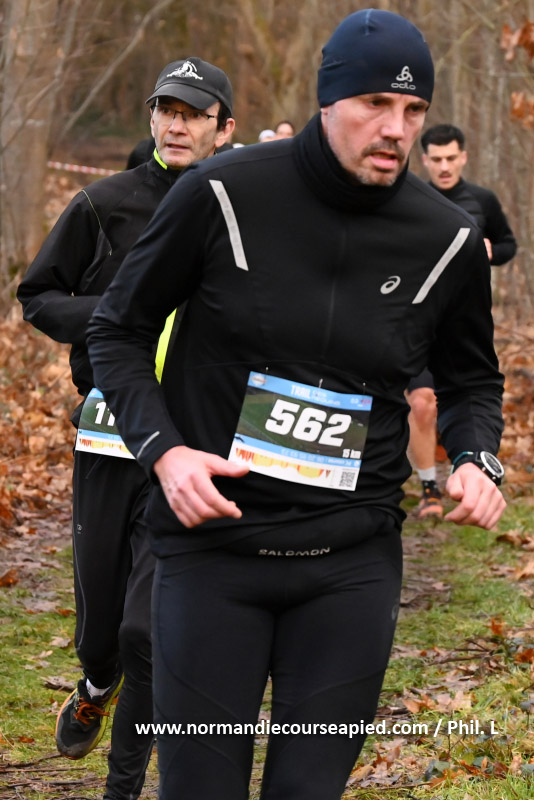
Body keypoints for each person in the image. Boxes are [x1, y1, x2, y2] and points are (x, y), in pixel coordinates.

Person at [88, 10, 506, 800]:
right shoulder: (221, 193)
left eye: (413, 110)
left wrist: (477, 458)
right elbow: (118, 330)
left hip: (349, 568)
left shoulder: (447, 238)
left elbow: (473, 382)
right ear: (327, 99)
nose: (396, 129)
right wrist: (165, 453)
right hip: (212, 555)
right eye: (375, 104)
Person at [17, 57, 234, 800]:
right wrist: (118, 315)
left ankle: (123, 786)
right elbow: (38, 295)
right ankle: (94, 681)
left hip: (192, 444)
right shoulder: (103, 203)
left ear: (224, 129)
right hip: (109, 437)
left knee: (148, 629)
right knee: (103, 629)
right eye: (166, 110)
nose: (176, 124)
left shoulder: (242, 213)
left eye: (194, 114)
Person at [406, 123, 516, 519]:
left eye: (451, 158)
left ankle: (465, 464)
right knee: (422, 402)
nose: (444, 166)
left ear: (463, 157)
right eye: (436, 159)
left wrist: (487, 251)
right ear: (424, 160)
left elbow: (508, 244)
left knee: (462, 393)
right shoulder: (411, 201)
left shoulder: (482, 200)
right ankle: (429, 488)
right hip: (417, 318)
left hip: (464, 321)